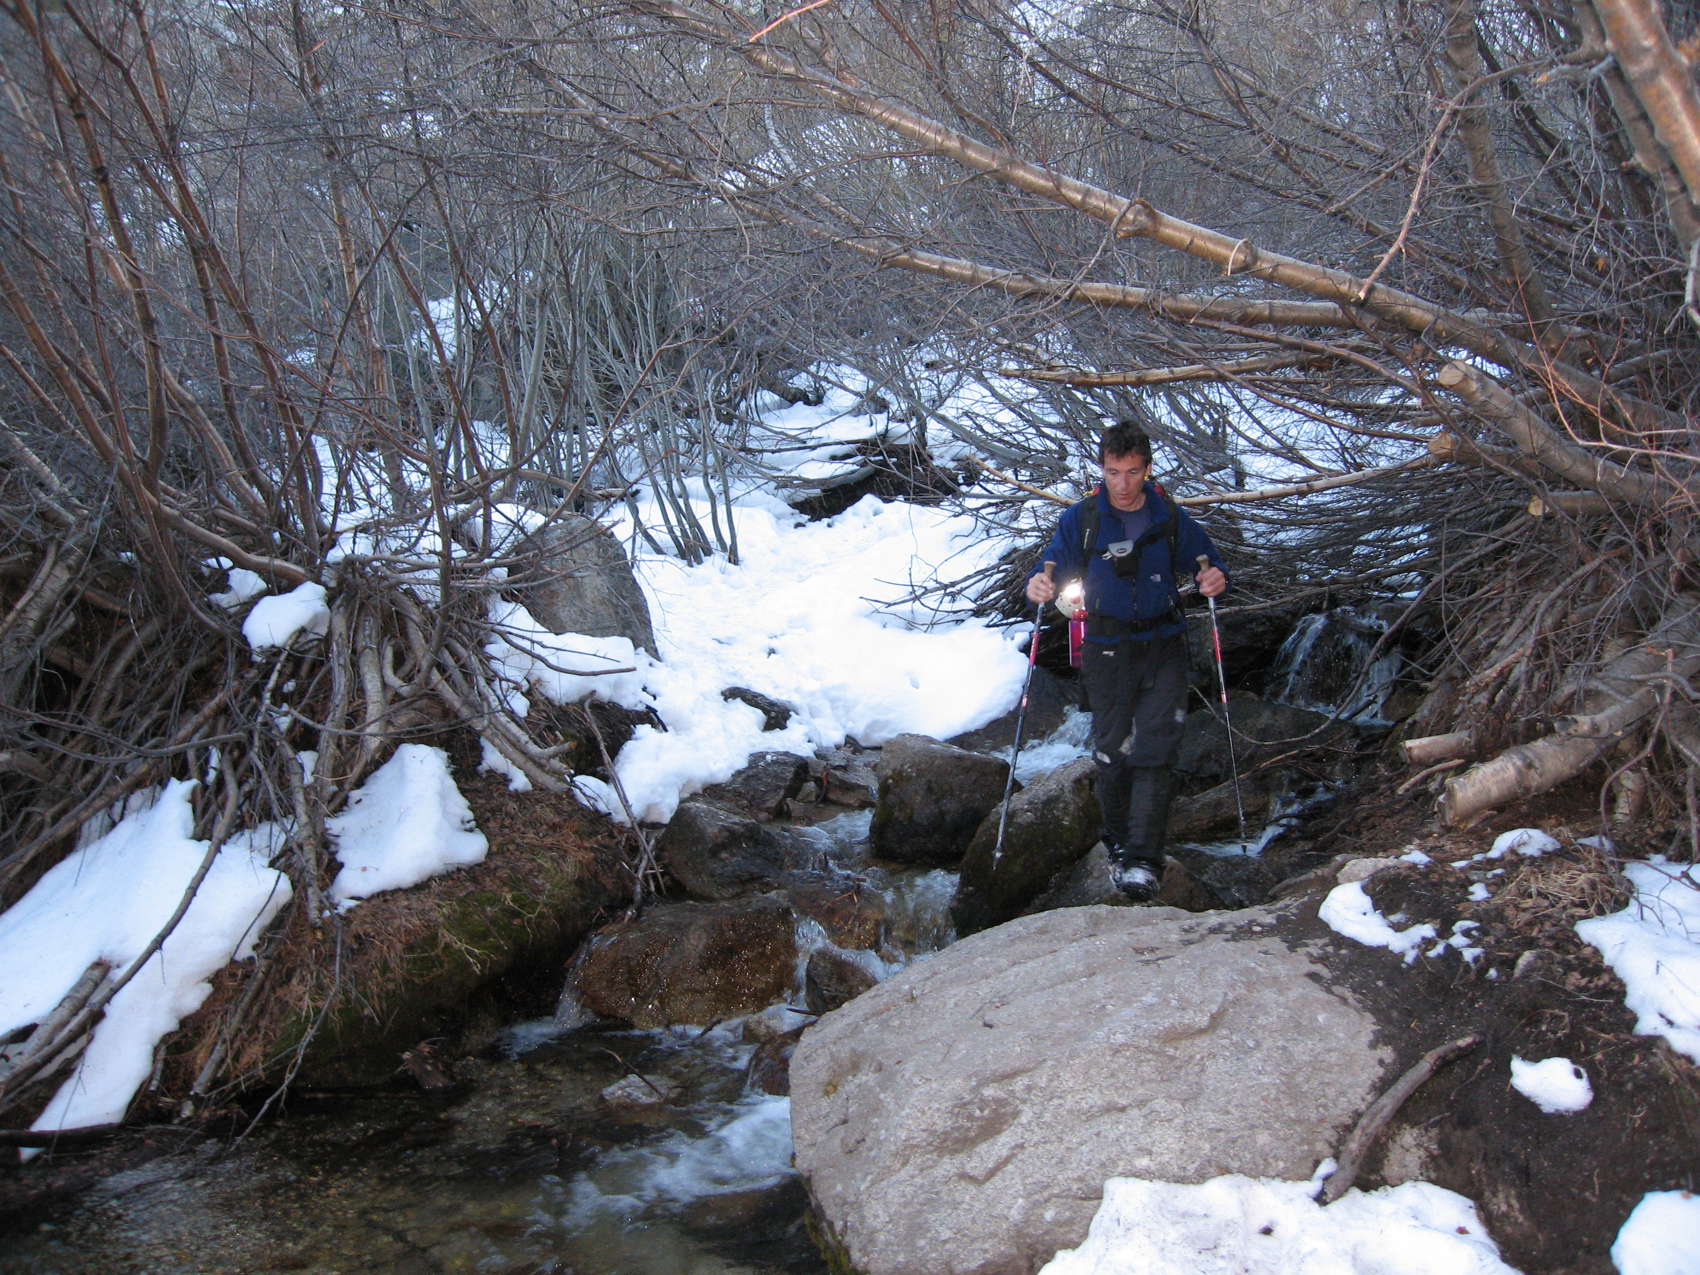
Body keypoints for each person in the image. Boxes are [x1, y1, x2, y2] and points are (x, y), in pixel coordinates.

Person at [1025, 422, 1228, 902]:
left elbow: (1208, 561)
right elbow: (1051, 565)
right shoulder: (1082, 518)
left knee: (1157, 750)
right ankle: (1117, 846)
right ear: (1102, 469)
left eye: (1133, 472)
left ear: (1148, 469)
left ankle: (1143, 861)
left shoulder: (1168, 516)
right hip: (1106, 647)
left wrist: (1216, 578)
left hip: (1164, 645)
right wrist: (1039, 583)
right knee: (1112, 753)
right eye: (1113, 472)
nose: (1122, 484)